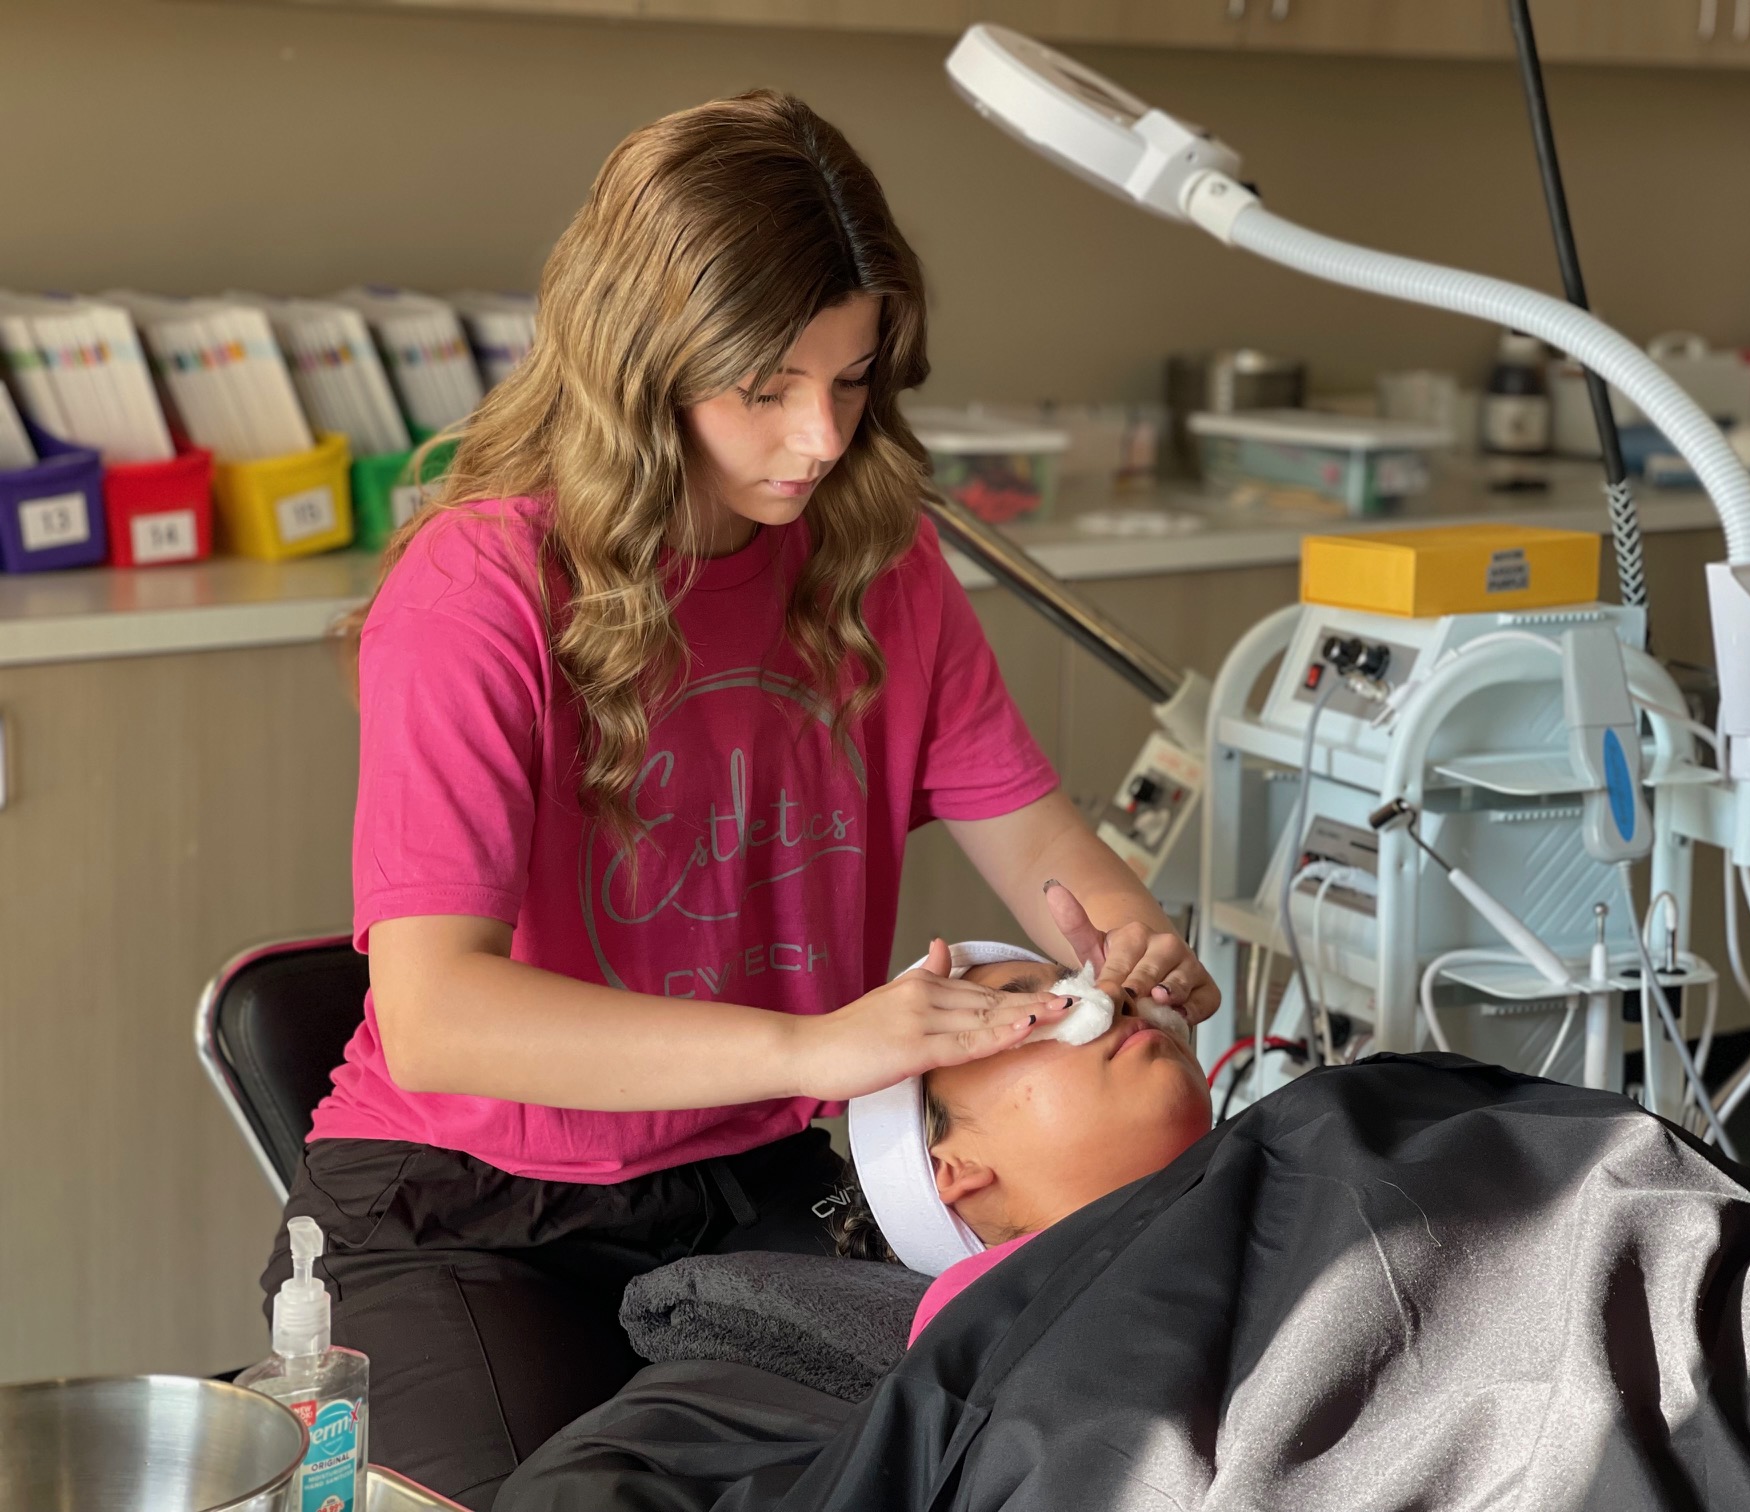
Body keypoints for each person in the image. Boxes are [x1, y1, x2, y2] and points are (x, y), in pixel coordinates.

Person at [258, 91, 1218, 1509]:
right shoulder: (480, 592)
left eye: (853, 379)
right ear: (641, 369)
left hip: (762, 1186)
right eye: (766, 389)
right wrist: (818, 1047)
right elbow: (441, 1012)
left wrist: (1127, 942)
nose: (822, 439)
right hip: (462, 1208)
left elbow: (1043, 844)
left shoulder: (875, 566)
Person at [831, 941, 1212, 1343]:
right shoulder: (980, 1336)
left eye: (1081, 986)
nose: (1111, 996)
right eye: (1025, 1016)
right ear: (955, 1166)